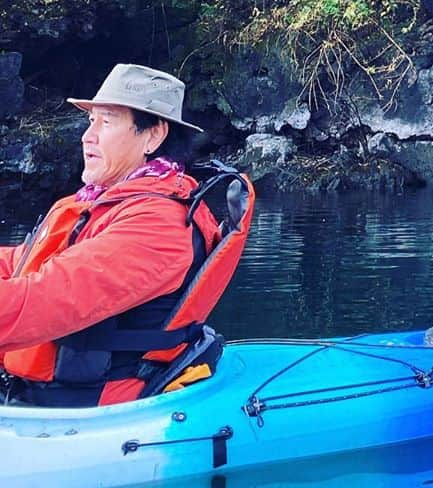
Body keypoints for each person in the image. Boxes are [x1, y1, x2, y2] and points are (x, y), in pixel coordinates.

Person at [0, 63, 253, 407]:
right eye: (91, 121)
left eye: (106, 122)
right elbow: (18, 263)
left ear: (153, 136)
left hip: (87, 410)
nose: (87, 136)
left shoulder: (158, 225)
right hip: (36, 397)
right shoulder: (97, 204)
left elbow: (45, 300)